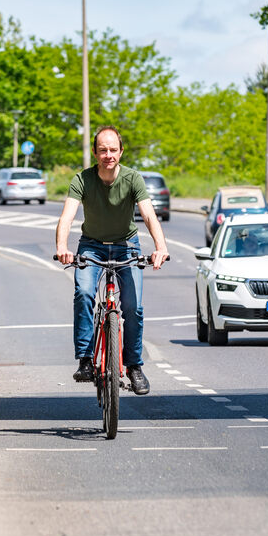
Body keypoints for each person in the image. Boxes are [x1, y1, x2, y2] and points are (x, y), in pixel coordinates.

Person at [55, 126, 170, 395]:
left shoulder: (133, 179)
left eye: (113, 150)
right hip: (91, 247)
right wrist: (62, 247)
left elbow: (150, 216)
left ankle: (134, 366)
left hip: (126, 246)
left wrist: (160, 247)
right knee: (83, 293)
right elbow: (67, 217)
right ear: (95, 152)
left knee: (133, 306)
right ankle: (85, 360)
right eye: (103, 150)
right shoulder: (82, 180)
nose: (108, 155)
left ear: (121, 151)